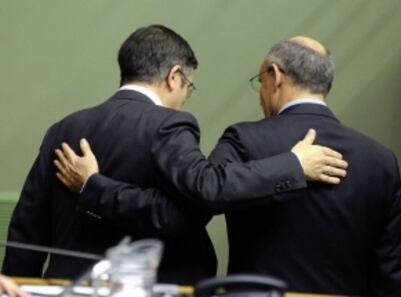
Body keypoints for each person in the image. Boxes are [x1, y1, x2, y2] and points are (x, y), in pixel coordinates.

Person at [3, 25, 347, 284]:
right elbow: (187, 212)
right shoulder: (171, 125)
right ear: (173, 77)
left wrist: (16, 284)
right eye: (188, 86)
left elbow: (26, 229)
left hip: (66, 286)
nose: (185, 97)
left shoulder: (63, 129)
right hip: (153, 287)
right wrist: (294, 165)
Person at [207, 36, 401, 296]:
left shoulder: (244, 140)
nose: (261, 95)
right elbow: (388, 272)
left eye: (261, 82)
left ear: (276, 75)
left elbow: (205, 189)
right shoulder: (381, 160)